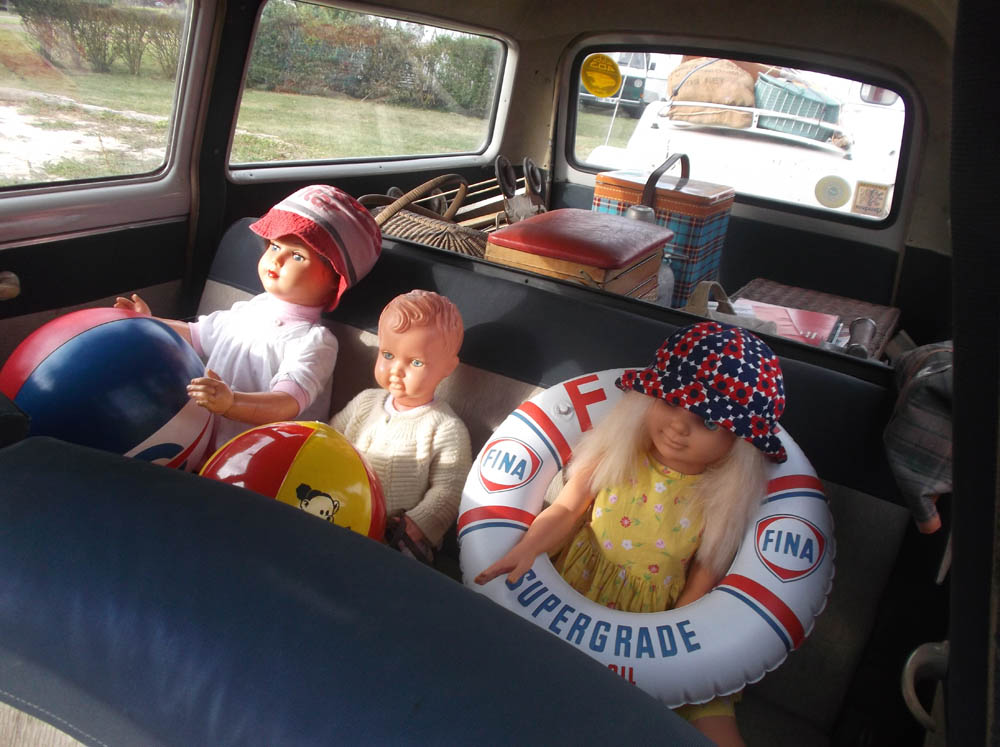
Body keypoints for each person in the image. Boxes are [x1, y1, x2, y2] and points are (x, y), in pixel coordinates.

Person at [475, 321, 787, 747]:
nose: (678, 427)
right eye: (670, 402)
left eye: (707, 422)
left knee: (710, 717)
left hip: (658, 626)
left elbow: (702, 582)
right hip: (573, 595)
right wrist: (528, 545)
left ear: (739, 442)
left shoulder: (720, 499)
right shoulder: (616, 455)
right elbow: (565, 509)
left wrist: (670, 646)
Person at [115, 185, 381, 452]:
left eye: (297, 256)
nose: (276, 260)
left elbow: (286, 403)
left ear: (335, 279)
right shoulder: (252, 309)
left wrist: (232, 403)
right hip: (209, 443)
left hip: (264, 456)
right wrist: (150, 323)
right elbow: (197, 335)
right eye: (275, 246)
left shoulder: (314, 342)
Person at [331, 290, 471, 564]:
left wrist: (418, 523)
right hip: (339, 511)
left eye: (415, 362)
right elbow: (330, 438)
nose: (396, 369)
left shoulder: (445, 427)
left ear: (447, 368)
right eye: (388, 354)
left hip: (395, 537)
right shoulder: (365, 402)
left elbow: (449, 489)